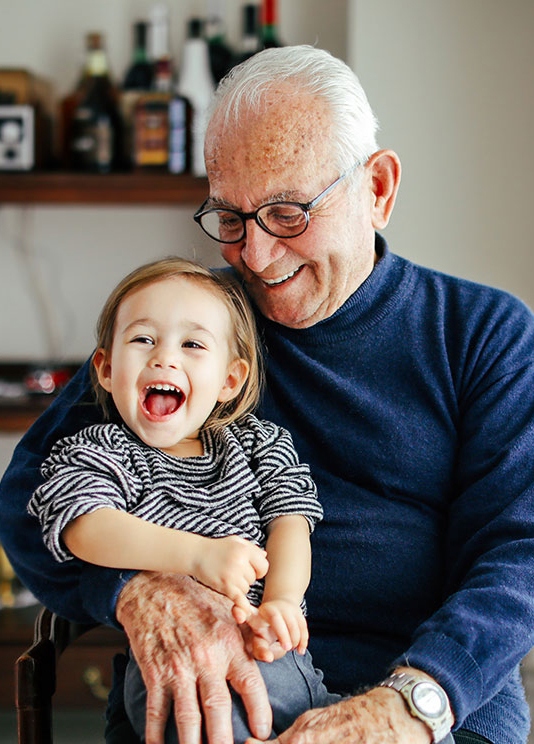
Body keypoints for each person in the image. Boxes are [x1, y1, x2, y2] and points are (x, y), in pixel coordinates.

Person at [1, 44, 533, 744]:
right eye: (230, 218)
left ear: (377, 188)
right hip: (209, 694)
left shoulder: (483, 333)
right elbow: (30, 495)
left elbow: (518, 554)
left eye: (287, 212)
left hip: (424, 697)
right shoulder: (188, 330)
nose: (254, 256)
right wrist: (136, 588)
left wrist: (406, 708)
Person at [27, 257, 339, 743]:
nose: (164, 358)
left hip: (278, 656)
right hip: (172, 667)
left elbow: (291, 524)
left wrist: (282, 600)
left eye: (192, 344)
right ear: (107, 369)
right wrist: (197, 554)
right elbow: (84, 525)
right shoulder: (101, 450)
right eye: (142, 339)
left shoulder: (259, 445)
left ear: (230, 380)